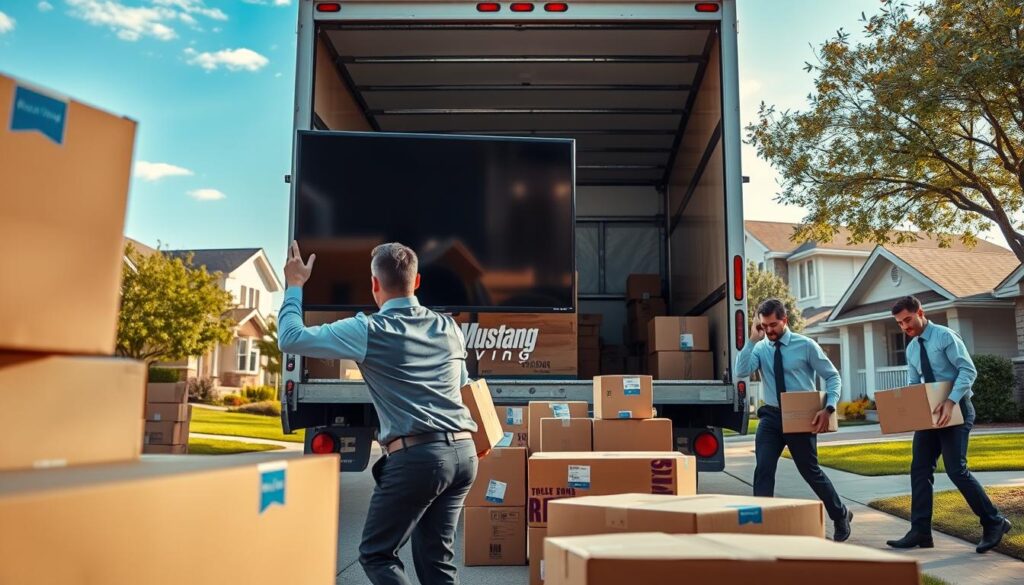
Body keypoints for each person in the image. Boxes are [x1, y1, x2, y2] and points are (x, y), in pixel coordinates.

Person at [278, 240, 478, 585]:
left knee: (377, 554)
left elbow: (290, 337)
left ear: (374, 284)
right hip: (464, 454)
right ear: (417, 282)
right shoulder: (449, 328)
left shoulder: (368, 330)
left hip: (418, 458)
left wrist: (295, 285)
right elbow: (463, 386)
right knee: (437, 560)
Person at [886, 295, 1011, 553]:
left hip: (957, 410)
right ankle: (920, 531)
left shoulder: (945, 337)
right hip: (929, 414)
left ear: (920, 312)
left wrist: (951, 401)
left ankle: (994, 521)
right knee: (919, 470)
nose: (905, 327)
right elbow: (914, 384)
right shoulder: (911, 349)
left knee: (956, 470)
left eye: (908, 320)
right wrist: (907, 410)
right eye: (900, 324)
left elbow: (968, 371)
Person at [735, 298, 853, 542]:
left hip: (801, 417)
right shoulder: (760, 347)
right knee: (764, 469)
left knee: (810, 471)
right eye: (764, 325)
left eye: (773, 325)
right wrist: (751, 340)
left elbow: (833, 377)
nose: (769, 330)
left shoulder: (806, 345)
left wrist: (829, 407)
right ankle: (762, 526)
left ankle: (840, 514)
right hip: (771, 416)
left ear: (785, 320)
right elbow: (741, 371)